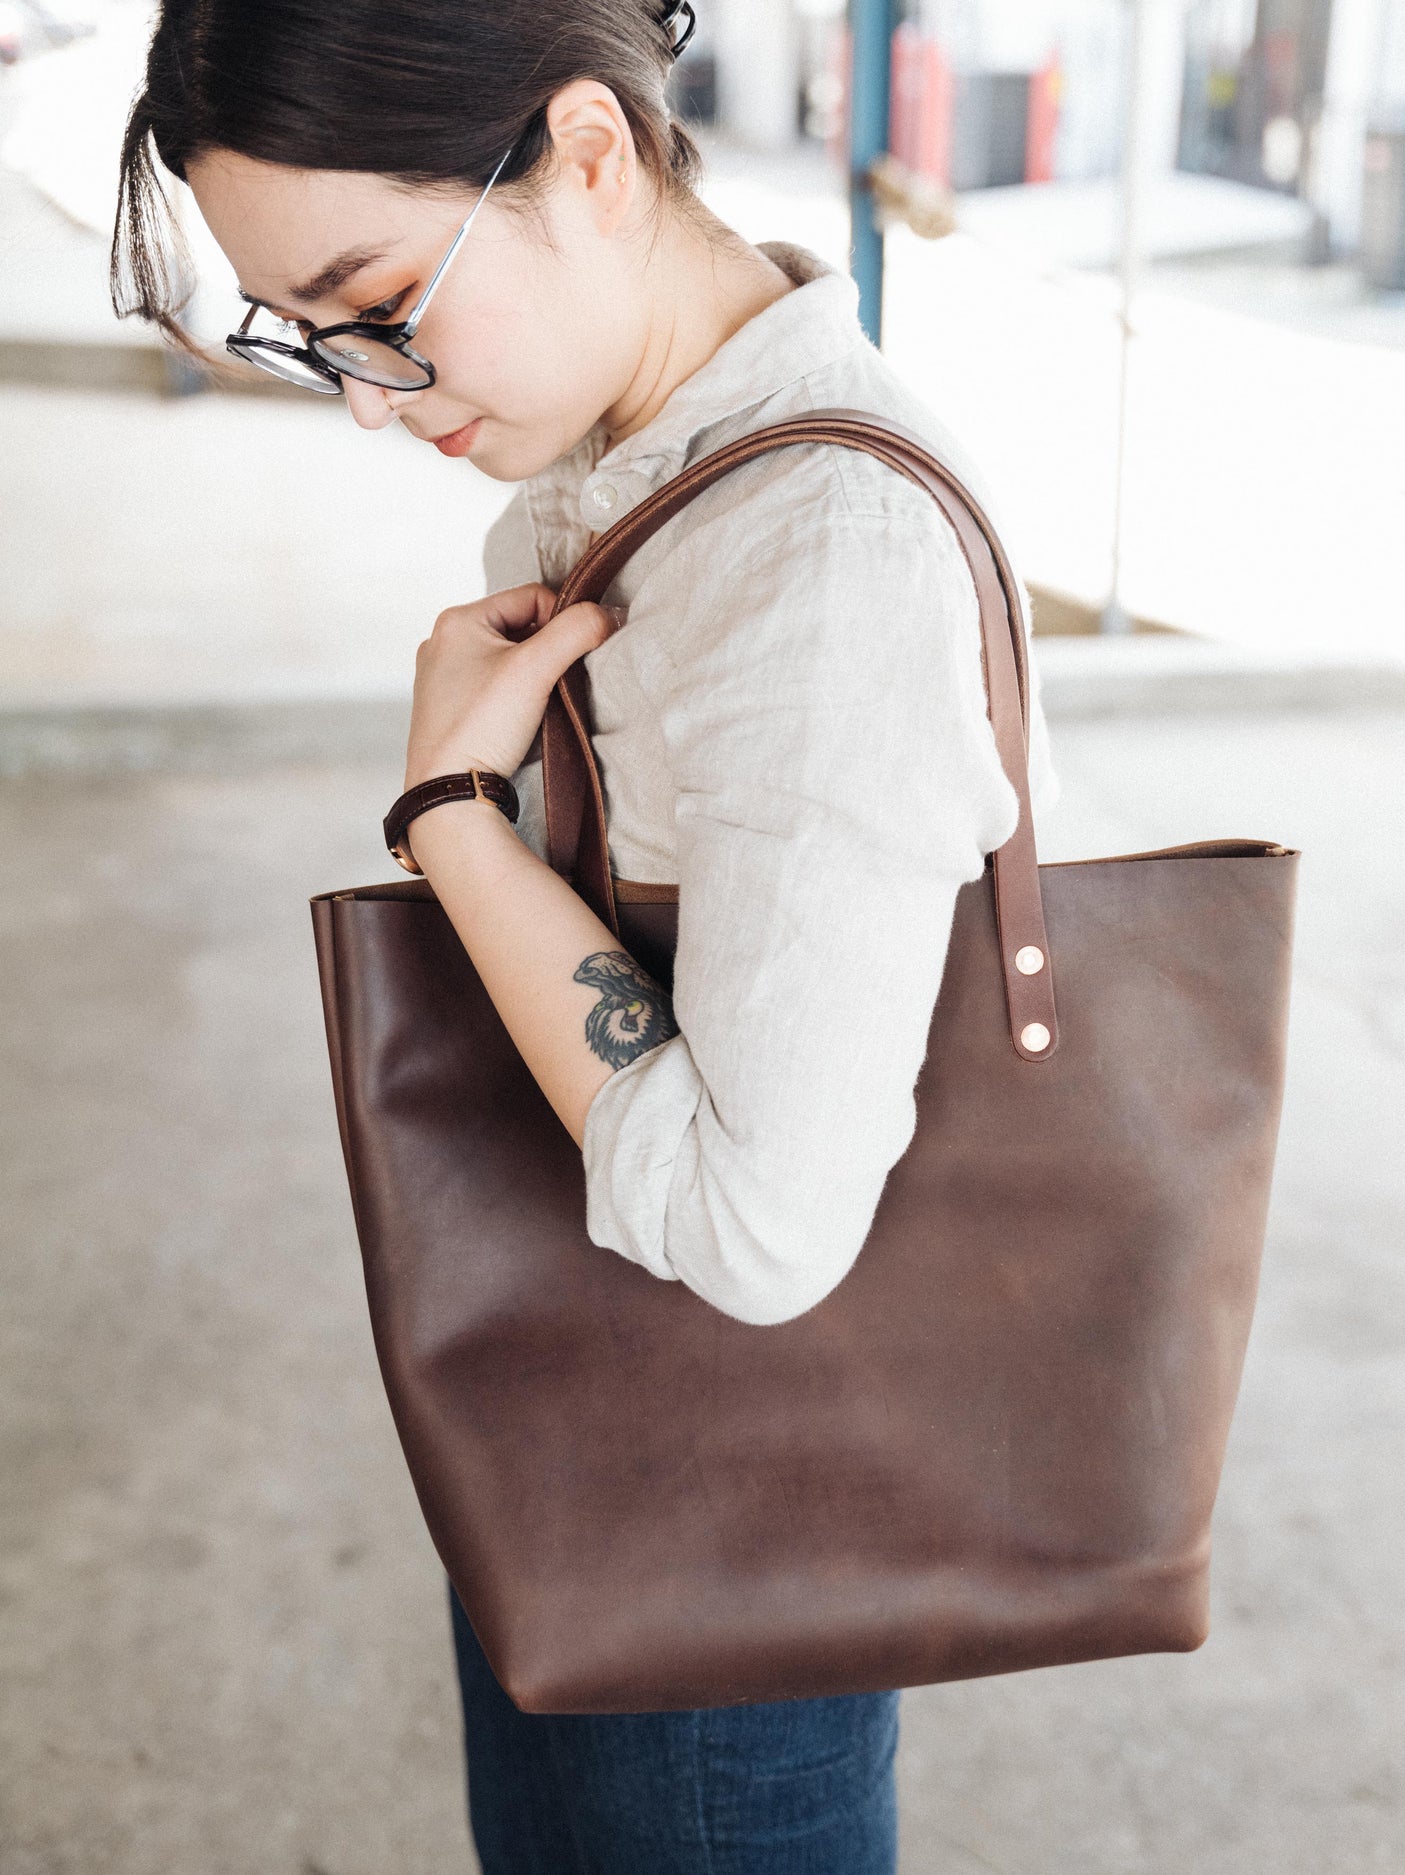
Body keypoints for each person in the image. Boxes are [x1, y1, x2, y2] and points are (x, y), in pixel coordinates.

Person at [113, 2, 1055, 1868]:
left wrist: (451, 826)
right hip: (581, 1459)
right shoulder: (619, 472)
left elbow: (763, 1232)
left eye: (378, 299)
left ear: (595, 157)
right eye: (311, 340)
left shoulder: (825, 546)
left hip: (726, 1551)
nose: (373, 394)